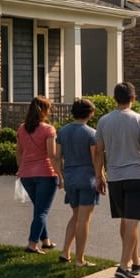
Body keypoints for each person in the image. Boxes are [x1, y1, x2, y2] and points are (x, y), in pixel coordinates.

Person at [95, 82, 140, 278]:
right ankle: (123, 266)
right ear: (133, 98)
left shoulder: (103, 121)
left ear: (114, 99)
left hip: (114, 178)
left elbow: (98, 151)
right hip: (135, 176)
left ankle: (136, 262)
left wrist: (99, 175)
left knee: (126, 221)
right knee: (132, 222)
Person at [57, 98, 99, 267]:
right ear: (90, 113)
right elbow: (95, 159)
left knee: (75, 216)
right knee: (84, 220)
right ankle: (79, 259)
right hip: (86, 178)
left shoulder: (63, 131)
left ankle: (65, 251)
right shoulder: (91, 133)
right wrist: (100, 177)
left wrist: (60, 174)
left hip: (70, 178)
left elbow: (56, 156)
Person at [16, 95, 60, 254]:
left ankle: (45, 241)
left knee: (39, 209)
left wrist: (20, 170)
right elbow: (52, 155)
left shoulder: (21, 129)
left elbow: (19, 154)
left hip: (26, 174)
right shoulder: (48, 129)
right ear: (44, 110)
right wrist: (60, 175)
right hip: (46, 174)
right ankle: (32, 244)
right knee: (42, 211)